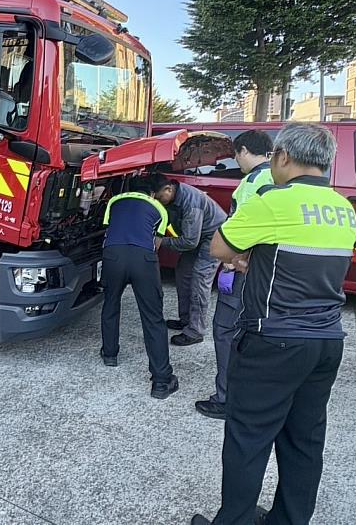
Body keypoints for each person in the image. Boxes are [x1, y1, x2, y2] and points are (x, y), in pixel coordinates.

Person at [192, 123, 356, 525]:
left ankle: (233, 521)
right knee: (305, 440)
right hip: (327, 341)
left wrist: (246, 257)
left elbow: (220, 246)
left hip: (273, 340)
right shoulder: (343, 208)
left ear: (283, 157)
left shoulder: (272, 201)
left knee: (248, 438)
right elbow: (305, 261)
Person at [196, 130, 274, 420]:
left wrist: (231, 261)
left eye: (235, 155)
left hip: (244, 270)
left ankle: (226, 399)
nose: (235, 161)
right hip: (270, 273)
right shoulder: (281, 180)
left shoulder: (251, 183)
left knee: (226, 330)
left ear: (242, 150)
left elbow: (237, 233)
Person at [99, 176, 179, 399]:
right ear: (152, 193)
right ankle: (162, 381)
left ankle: (110, 354)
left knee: (111, 303)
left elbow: (108, 227)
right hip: (142, 258)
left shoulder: (114, 201)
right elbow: (156, 242)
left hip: (113, 255)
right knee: (153, 318)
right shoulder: (158, 208)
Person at [153, 174, 226, 346]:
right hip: (198, 237)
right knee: (183, 273)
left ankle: (195, 331)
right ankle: (186, 320)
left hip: (213, 237)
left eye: (158, 196)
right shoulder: (172, 198)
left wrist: (161, 241)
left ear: (168, 189)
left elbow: (189, 242)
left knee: (200, 279)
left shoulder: (190, 202)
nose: (157, 200)